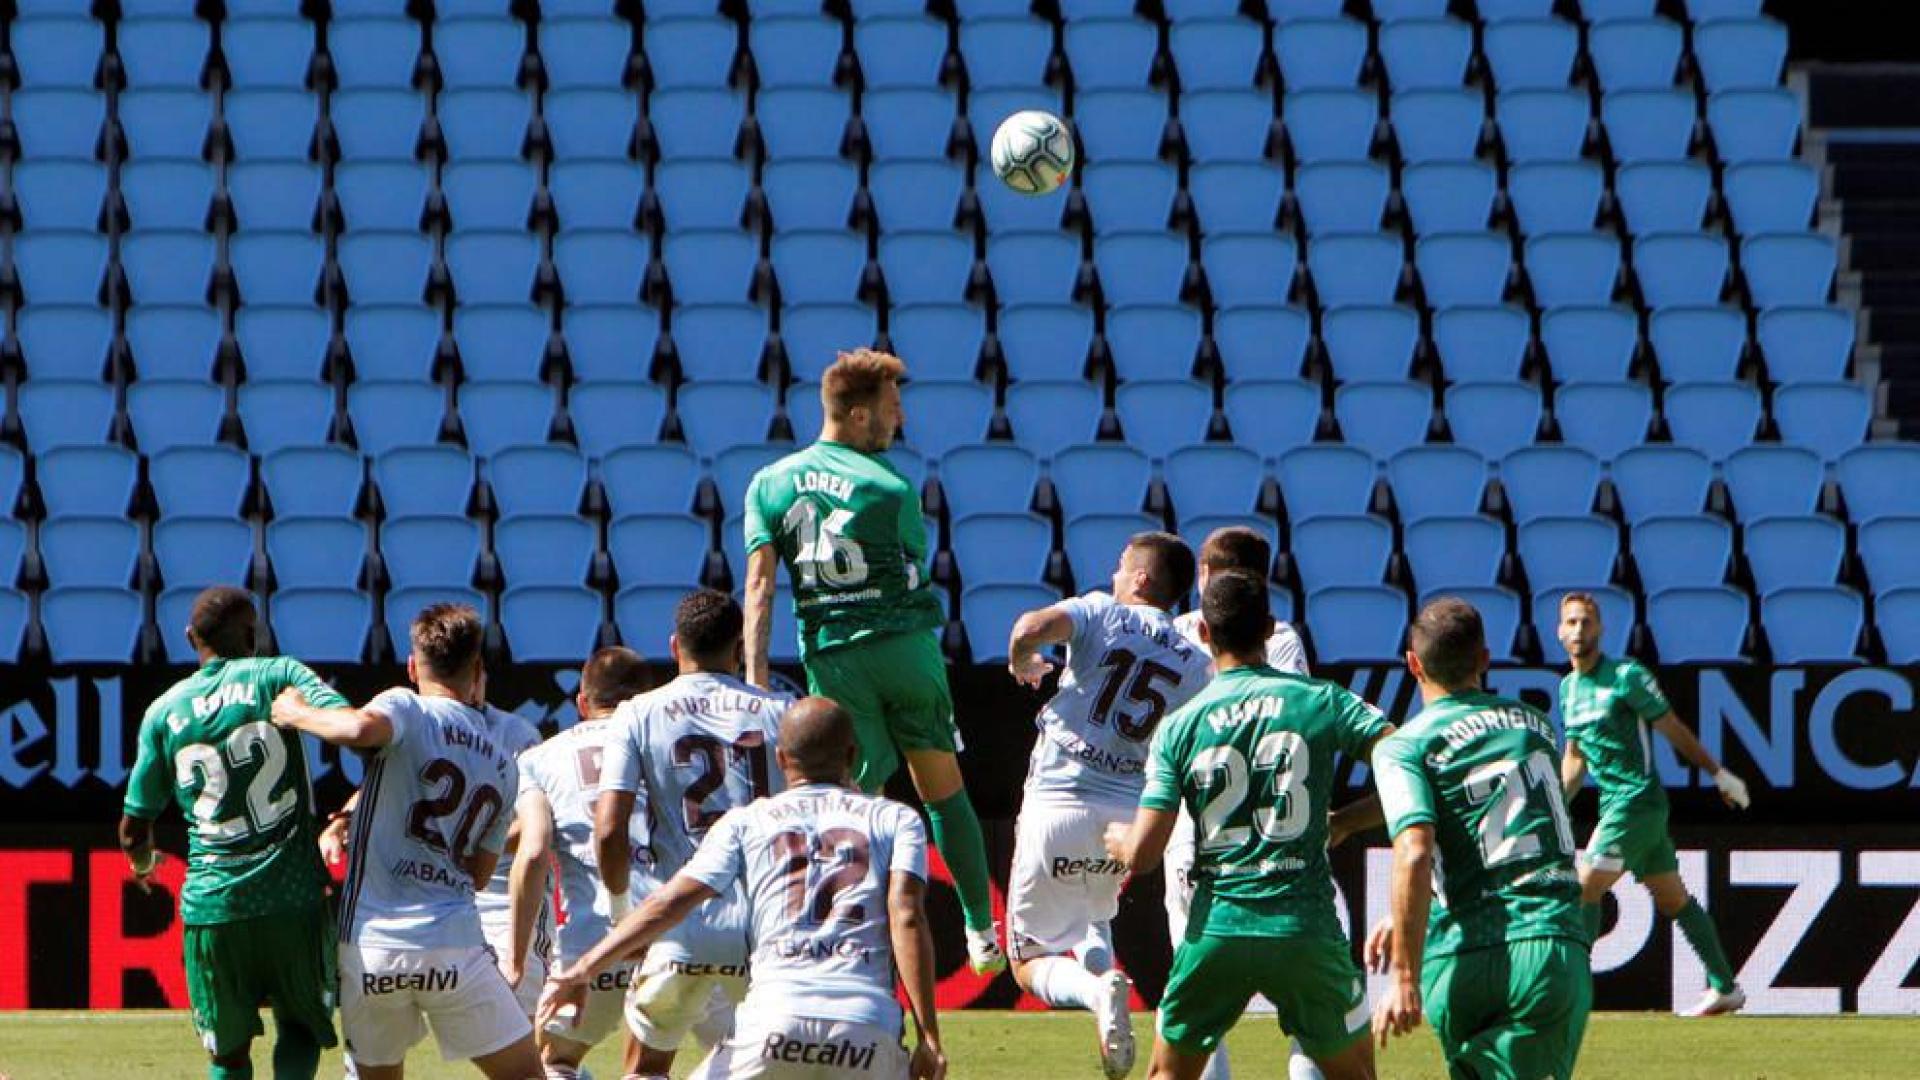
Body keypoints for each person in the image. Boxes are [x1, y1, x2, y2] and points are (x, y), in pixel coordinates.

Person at [740, 348, 1001, 972]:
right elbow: (911, 572)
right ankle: (980, 930)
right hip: (906, 651)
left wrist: (754, 679)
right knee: (940, 789)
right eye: (892, 408)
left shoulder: (768, 483)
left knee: (857, 803)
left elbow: (758, 586)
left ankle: (859, 948)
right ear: (858, 416)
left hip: (833, 659)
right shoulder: (892, 487)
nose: (900, 419)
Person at [543, 697, 947, 1080]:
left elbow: (671, 902)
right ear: (853, 757)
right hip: (867, 1025)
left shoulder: (747, 821)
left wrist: (583, 969)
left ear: (781, 758)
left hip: (775, 1022)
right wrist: (929, 1035)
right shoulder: (897, 819)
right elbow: (907, 917)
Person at [1103, 572, 1394, 1080]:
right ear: (1270, 628)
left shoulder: (1180, 725)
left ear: (1204, 635)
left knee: (1167, 1073)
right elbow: (1406, 763)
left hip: (1218, 927)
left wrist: (1121, 843)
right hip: (1304, 926)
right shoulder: (1322, 700)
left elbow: (1145, 855)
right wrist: (1348, 821)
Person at [271, 603, 542, 1080]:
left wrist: (297, 712)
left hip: (374, 946)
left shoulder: (407, 706)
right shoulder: (505, 762)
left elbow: (357, 728)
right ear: (477, 670)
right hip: (454, 944)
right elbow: (479, 874)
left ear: (414, 667)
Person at [1003, 532, 1212, 1079]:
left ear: (1140, 578)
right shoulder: (1195, 659)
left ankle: (1097, 992)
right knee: (1092, 914)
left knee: (1025, 960)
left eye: (1121, 567)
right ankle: (1106, 984)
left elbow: (1029, 628)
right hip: (1127, 817)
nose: (1115, 575)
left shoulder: (1100, 610)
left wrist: (1024, 659)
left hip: (1060, 799)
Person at [119, 586, 346, 1080]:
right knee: (302, 1028)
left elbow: (135, 825)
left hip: (213, 904)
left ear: (189, 637)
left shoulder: (163, 710)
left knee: (227, 1052)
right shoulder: (279, 673)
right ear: (252, 634)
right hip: (293, 897)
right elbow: (344, 719)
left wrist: (142, 866)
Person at [1368, 598, 1591, 1080]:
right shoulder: (1535, 728)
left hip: (1458, 956)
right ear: (1485, 660)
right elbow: (1505, 825)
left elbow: (1419, 847)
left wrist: (1403, 972)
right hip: (1543, 946)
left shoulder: (1402, 745)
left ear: (1412, 664)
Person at [592, 589, 794, 1078]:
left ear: (674, 646)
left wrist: (624, 915)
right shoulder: (782, 710)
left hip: (682, 920)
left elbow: (609, 828)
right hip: (763, 923)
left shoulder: (637, 713)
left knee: (645, 1067)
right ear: (737, 649)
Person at [1166, 526, 1317, 1080]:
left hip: (1194, 832)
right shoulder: (1282, 640)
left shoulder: (1177, 634)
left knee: (1198, 1006)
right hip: (1276, 837)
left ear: (1205, 576)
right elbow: (1291, 723)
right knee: (1307, 1004)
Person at [1554, 591, 1750, 1016]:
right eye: (1571, 622)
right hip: (1618, 807)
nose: (1579, 630)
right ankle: (1725, 986)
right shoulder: (1567, 688)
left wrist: (1717, 773)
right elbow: (1574, 759)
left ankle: (1573, 994)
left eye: (1586, 622)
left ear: (1601, 629)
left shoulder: (1626, 675)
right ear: (1558, 631)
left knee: (1585, 887)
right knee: (1672, 898)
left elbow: (1672, 727)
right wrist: (1551, 805)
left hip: (1637, 800)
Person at [506, 646, 653, 1079]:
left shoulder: (539, 758)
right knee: (661, 1059)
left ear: (582, 703)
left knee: (555, 1061)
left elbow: (534, 852)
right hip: (671, 927)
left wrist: (516, 959)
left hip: (592, 938)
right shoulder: (661, 742)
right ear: (643, 701)